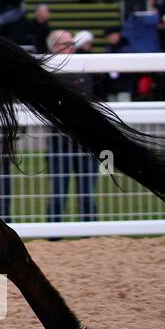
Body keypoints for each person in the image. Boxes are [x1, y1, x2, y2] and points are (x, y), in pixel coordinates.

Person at [45, 30, 99, 224]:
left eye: (72, 44)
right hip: (59, 143)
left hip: (87, 144)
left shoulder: (85, 69)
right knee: (58, 194)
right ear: (53, 48)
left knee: (87, 194)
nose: (70, 48)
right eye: (65, 44)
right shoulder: (47, 72)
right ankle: (53, 236)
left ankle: (91, 236)